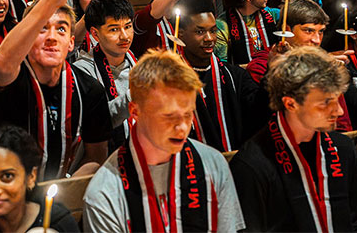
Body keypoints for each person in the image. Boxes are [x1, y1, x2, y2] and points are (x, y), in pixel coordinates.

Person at [82, 49, 245, 233]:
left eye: (188, 114)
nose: (183, 127)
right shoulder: (105, 193)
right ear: (135, 112)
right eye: (169, 117)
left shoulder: (214, 164)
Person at [0, 0, 112, 181]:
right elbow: (3, 62)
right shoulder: (14, 78)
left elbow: (96, 158)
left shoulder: (90, 89)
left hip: (61, 190)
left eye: (61, 29)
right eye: (42, 29)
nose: (52, 37)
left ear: (71, 43)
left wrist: (64, 188)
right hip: (7, 187)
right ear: (27, 37)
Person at [230, 47, 357, 232]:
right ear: (290, 103)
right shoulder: (251, 165)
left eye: (337, 100)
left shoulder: (344, 148)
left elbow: (355, 222)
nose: (339, 111)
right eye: (325, 102)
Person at [176, 0, 269, 152]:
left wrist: (272, 71)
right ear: (181, 34)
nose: (209, 38)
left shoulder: (234, 76)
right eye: (200, 31)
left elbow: (258, 113)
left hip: (233, 162)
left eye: (213, 31)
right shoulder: (171, 80)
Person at [74, 0, 136, 149]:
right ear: (95, 33)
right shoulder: (82, 71)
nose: (124, 36)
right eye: (114, 29)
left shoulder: (139, 64)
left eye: (128, 27)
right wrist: (133, 96)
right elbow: (92, 123)